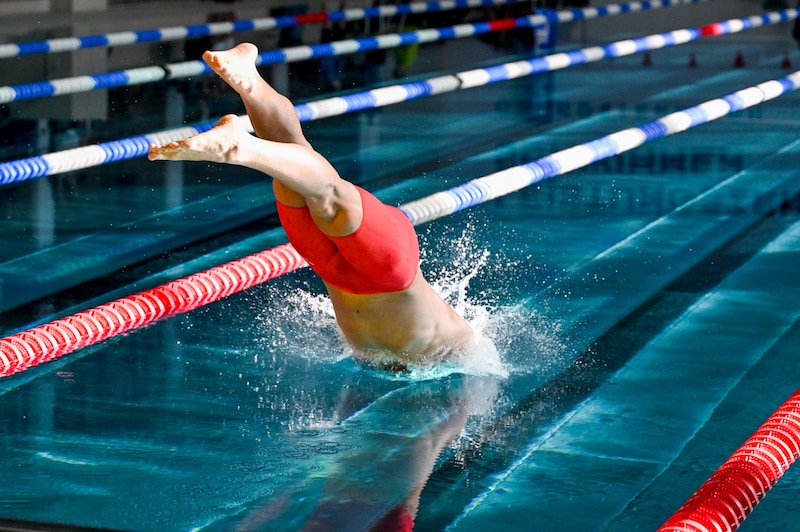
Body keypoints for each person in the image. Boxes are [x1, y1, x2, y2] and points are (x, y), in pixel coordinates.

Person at [148, 43, 475, 369]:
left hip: (332, 270)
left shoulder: (411, 361)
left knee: (293, 157)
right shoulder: (465, 354)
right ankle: (240, 145)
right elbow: (458, 415)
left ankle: (248, 79)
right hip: (391, 273)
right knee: (330, 199)